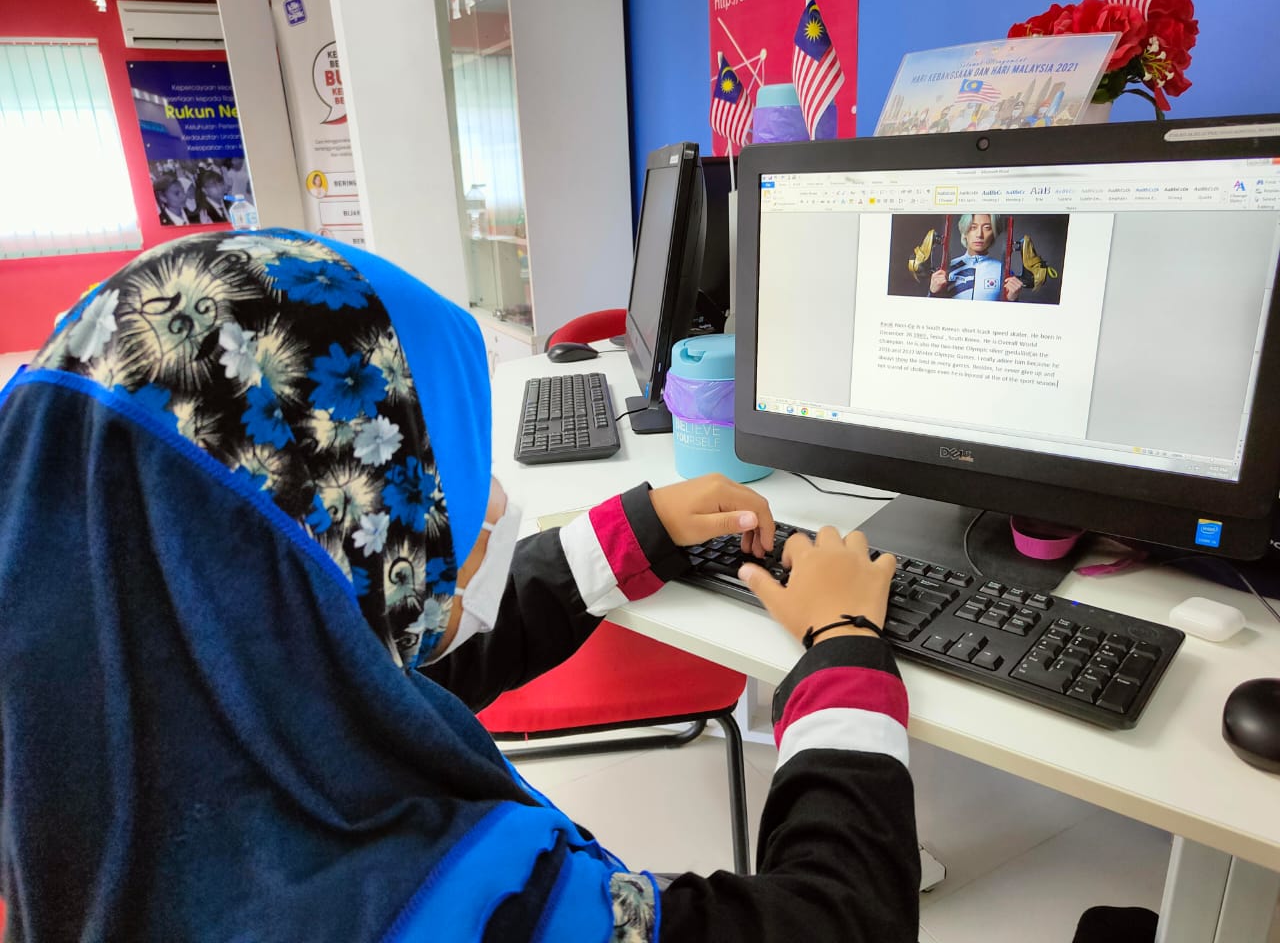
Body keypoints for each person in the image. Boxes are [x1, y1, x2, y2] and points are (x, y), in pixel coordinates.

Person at [0, 230, 920, 941]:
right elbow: (841, 922)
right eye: (455, 478)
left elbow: (380, 688)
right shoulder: (465, 909)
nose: (485, 508)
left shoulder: (88, 764)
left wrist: (632, 535)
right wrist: (843, 644)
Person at [929, 213, 1023, 302]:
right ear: (965, 232)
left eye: (987, 228)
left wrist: (1013, 299)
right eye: (973, 227)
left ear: (994, 233)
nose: (979, 235)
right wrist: (933, 293)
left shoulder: (1004, 271)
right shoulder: (947, 268)